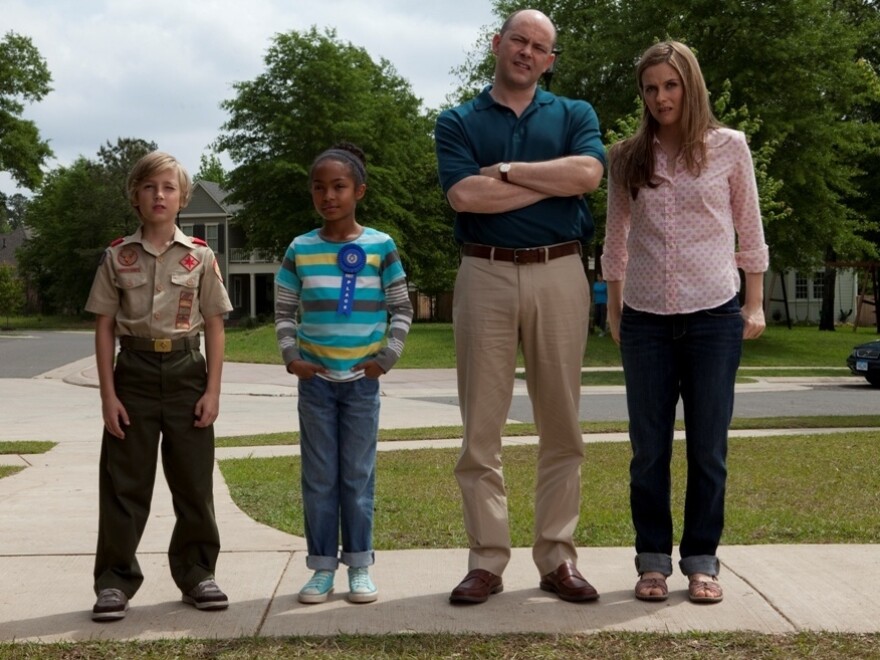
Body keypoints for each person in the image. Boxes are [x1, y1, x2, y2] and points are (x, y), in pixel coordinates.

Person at [435, 8, 605, 604]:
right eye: (518, 41)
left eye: (540, 46)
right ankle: (486, 561)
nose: (527, 52)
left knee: (561, 424)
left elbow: (586, 175)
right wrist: (543, 181)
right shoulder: (456, 120)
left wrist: (507, 171)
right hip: (483, 273)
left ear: (550, 59)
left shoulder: (574, 114)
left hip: (560, 271)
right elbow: (463, 194)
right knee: (481, 429)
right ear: (496, 44)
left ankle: (557, 558)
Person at [602, 41, 769, 604]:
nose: (660, 97)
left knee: (708, 447)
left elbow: (750, 225)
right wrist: (614, 306)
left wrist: (755, 302)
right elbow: (616, 237)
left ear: (689, 85)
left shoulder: (729, 148)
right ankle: (652, 561)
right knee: (647, 449)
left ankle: (701, 560)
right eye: (650, 88)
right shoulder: (627, 156)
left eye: (669, 85)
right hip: (646, 320)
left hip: (715, 315)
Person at [85, 151, 233, 621]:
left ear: (183, 197)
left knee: (192, 481)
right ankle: (114, 581)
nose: (159, 195)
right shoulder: (116, 256)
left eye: (169, 187)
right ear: (135, 195)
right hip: (135, 375)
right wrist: (109, 396)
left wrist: (212, 391)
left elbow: (214, 324)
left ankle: (197, 574)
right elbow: (105, 326)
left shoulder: (200, 256)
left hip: (188, 371)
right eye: (150, 187)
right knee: (124, 483)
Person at [275, 142, 413, 605]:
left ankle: (358, 565)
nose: (328, 196)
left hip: (360, 385)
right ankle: (320, 569)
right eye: (319, 187)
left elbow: (401, 309)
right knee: (319, 479)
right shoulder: (300, 249)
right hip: (315, 385)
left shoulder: (380, 246)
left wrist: (384, 360)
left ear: (359, 191)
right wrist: (293, 358)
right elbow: (284, 311)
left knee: (356, 477)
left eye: (338, 187)